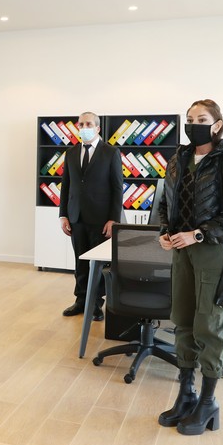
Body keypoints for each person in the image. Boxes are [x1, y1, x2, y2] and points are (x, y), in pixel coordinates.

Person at [157, 99, 223, 436]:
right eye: (190, 119)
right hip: (180, 250)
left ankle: (208, 401)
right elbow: (165, 202)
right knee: (182, 319)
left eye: (201, 119)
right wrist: (165, 231)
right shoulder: (178, 158)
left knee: (209, 324)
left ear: (217, 124)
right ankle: (186, 393)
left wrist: (198, 234)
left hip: (210, 249)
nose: (194, 124)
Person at [59, 112, 123, 321]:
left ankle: (95, 304)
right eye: (81, 124)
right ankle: (80, 300)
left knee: (97, 265)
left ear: (97, 128)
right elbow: (66, 186)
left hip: (101, 219)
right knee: (80, 263)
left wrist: (113, 219)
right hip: (76, 217)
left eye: (88, 124)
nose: (84, 127)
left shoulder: (110, 152)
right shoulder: (71, 153)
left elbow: (117, 188)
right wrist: (63, 215)